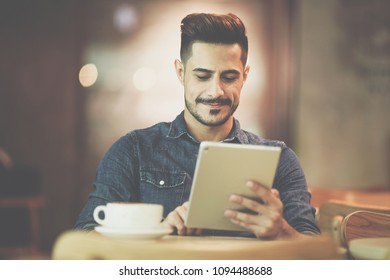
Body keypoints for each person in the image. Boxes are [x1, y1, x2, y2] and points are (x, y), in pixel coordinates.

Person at [74, 13, 320, 239]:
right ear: (180, 72)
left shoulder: (280, 159)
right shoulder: (132, 150)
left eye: (229, 77)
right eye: (202, 76)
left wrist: (282, 232)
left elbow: (319, 253)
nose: (215, 91)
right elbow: (84, 240)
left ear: (245, 76)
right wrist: (159, 231)